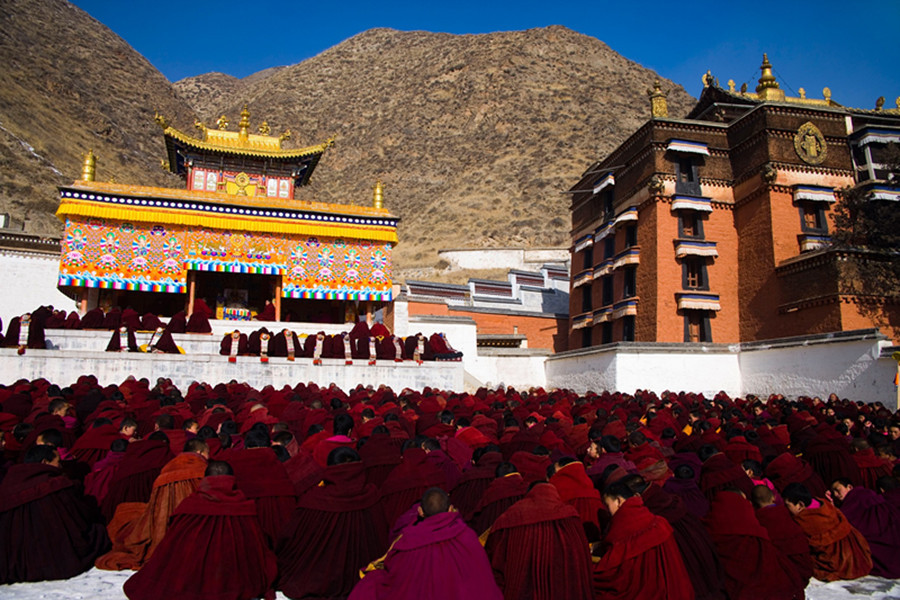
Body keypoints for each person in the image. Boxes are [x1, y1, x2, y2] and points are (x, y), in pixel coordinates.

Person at [122, 460, 277, 600]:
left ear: (205, 480)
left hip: (188, 578)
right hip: (235, 579)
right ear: (232, 481)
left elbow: (172, 543)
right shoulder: (245, 507)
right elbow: (257, 546)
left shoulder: (189, 504)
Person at [350, 487, 502, 600]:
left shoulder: (407, 541)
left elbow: (396, 575)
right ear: (450, 509)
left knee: (370, 584)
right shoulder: (467, 536)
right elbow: (482, 577)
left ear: (420, 512)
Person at [276, 447, 387, 599]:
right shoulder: (372, 495)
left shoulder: (314, 499)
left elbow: (290, 537)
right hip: (364, 576)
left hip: (318, 577)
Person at [0, 445, 109, 583]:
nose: (60, 466)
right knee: (100, 533)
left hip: (14, 559)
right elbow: (79, 520)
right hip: (54, 557)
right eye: (58, 461)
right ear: (45, 462)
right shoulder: (56, 484)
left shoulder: (6, 484)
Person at [96, 439, 209, 570]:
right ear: (199, 452)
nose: (208, 457)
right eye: (207, 453)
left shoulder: (168, 466)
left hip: (163, 517)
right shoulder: (201, 469)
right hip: (192, 523)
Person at [485, 482, 593, 600]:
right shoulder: (571, 518)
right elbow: (583, 562)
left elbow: (492, 561)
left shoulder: (509, 518)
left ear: (529, 495)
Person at [594, 481, 694, 600]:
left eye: (608, 505)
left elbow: (613, 571)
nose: (608, 511)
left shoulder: (622, 527)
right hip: (674, 589)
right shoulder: (659, 522)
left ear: (619, 501)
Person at [783, 481, 872, 581]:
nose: (785, 509)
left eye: (787, 505)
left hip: (839, 560)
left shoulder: (807, 521)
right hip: (858, 554)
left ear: (800, 505)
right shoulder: (823, 503)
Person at [830, 477, 900, 578]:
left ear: (849, 487)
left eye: (837, 490)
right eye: (833, 492)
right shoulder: (863, 496)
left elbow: (847, 518)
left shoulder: (859, 496)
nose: (836, 494)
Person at [751, 485, 814, 590]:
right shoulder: (785, 513)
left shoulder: (756, 519)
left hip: (778, 575)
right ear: (773, 498)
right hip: (801, 569)